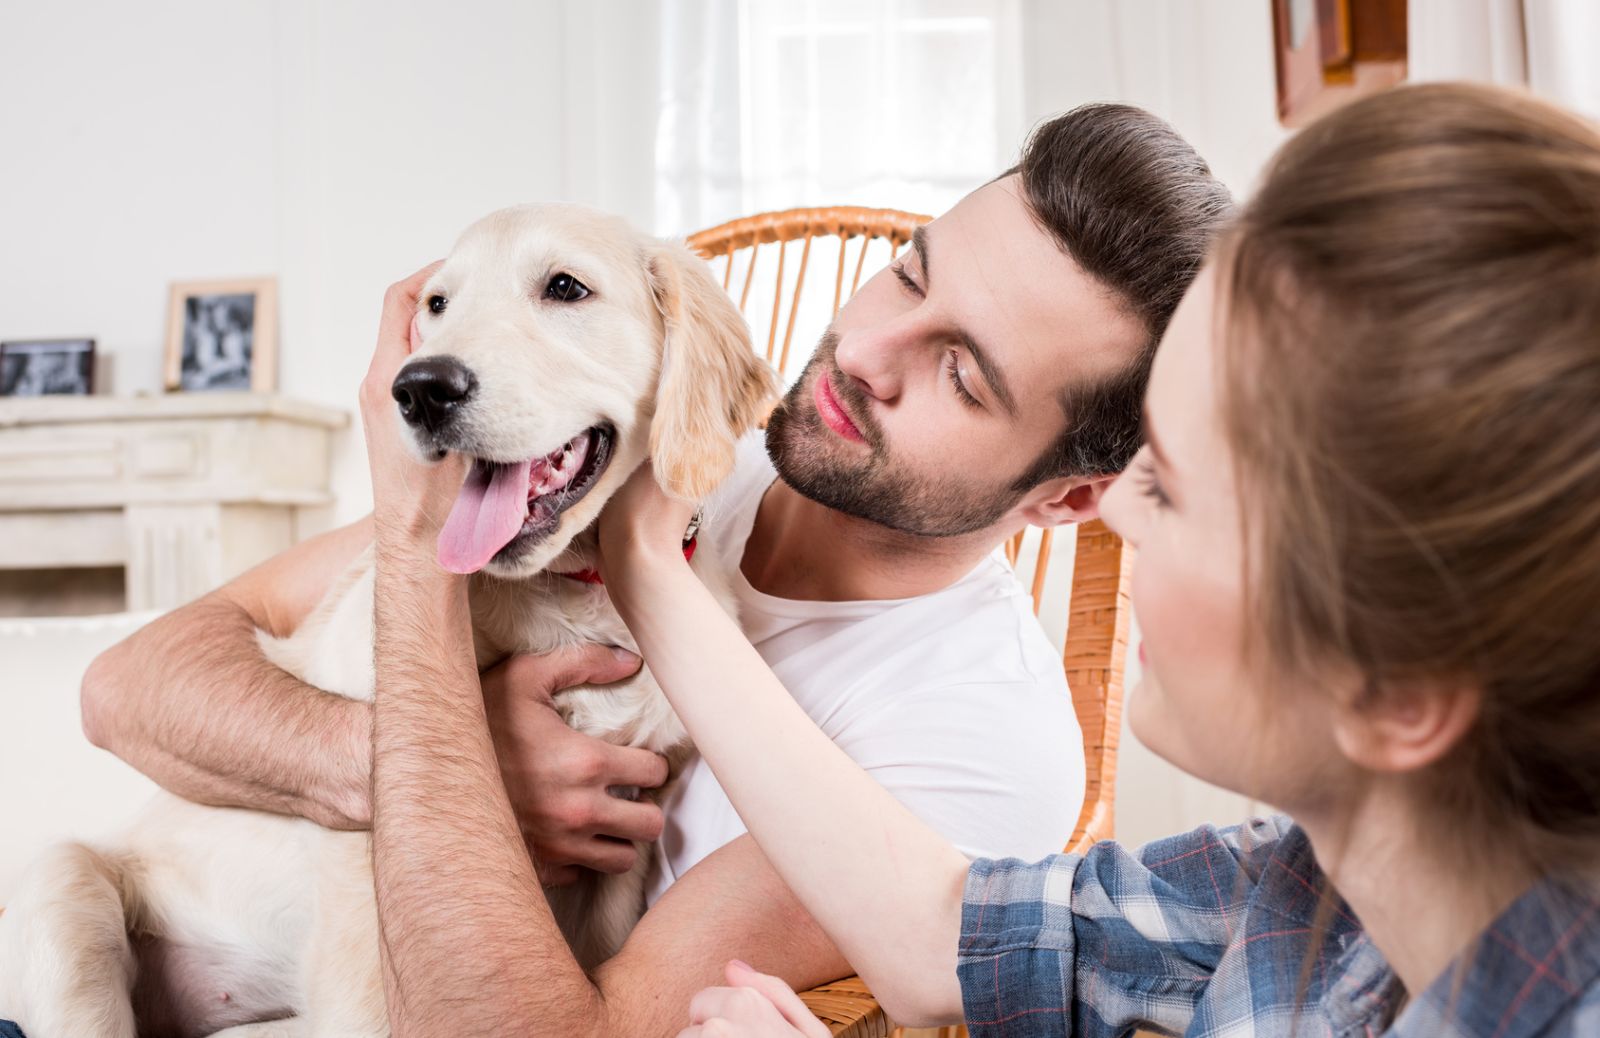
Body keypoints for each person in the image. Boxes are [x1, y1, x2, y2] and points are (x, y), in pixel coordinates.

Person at [69, 104, 1231, 1037]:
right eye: (910, 275)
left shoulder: (972, 738)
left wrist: (457, 566)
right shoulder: (611, 456)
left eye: (962, 376)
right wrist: (434, 763)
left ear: (1067, 498)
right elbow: (127, 691)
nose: (864, 350)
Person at [592, 82, 1600, 1036]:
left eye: (1171, 487)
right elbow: (933, 927)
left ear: (1397, 694)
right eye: (909, 269)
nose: (1117, 512)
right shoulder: (1281, 891)